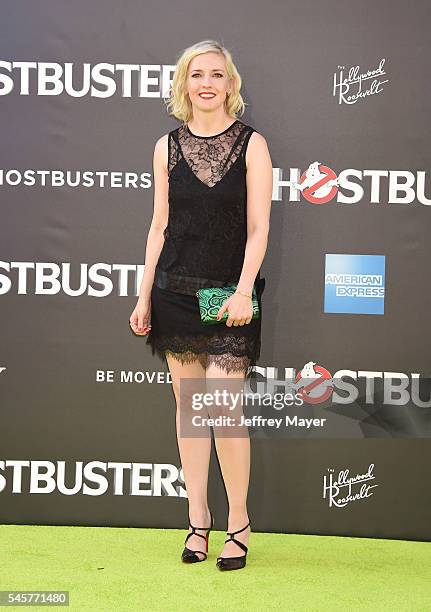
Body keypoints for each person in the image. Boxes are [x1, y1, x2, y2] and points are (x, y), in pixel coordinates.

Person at [129, 39, 272, 571]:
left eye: (216, 74)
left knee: (222, 408)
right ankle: (198, 523)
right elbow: (159, 225)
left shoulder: (252, 145)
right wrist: (144, 294)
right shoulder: (165, 146)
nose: (207, 83)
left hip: (229, 296)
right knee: (191, 412)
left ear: (231, 84)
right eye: (196, 75)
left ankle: (239, 523)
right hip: (174, 293)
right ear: (183, 85)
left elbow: (259, 228)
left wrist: (242, 290)